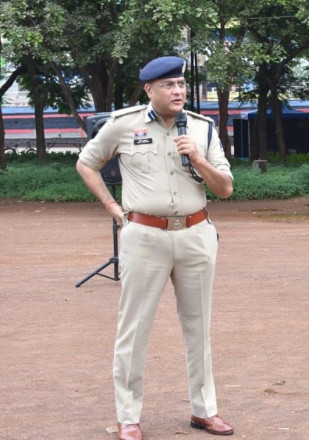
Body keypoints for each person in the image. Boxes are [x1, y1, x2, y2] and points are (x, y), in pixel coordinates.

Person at [76, 57, 234, 440]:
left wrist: (197, 157)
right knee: (134, 329)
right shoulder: (123, 124)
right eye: (168, 85)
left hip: (196, 235)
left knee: (199, 327)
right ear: (149, 89)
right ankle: (129, 417)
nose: (178, 91)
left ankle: (204, 410)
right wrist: (112, 207)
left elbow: (225, 188)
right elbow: (86, 163)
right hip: (144, 237)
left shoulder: (202, 128)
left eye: (181, 84)